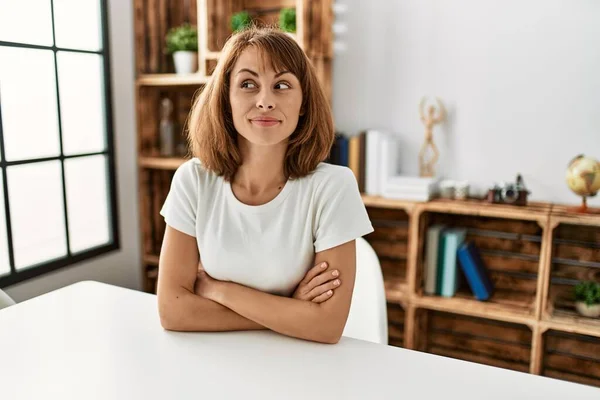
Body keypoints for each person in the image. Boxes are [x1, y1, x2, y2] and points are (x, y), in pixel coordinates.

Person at [157, 26, 374, 344]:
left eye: (282, 85)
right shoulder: (193, 180)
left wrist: (218, 290)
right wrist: (290, 312)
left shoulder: (333, 187)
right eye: (247, 84)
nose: (265, 101)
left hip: (300, 367)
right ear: (226, 99)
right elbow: (173, 312)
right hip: (213, 362)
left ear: (303, 102)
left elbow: (327, 326)